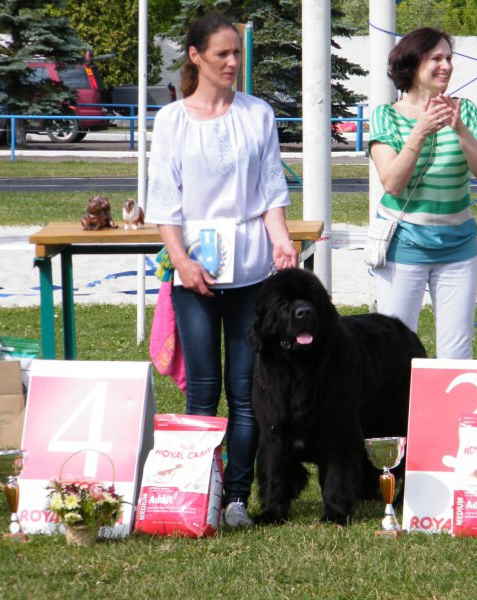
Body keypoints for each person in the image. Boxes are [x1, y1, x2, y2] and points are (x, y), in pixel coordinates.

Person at [145, 12, 298, 527]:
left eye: (237, 53)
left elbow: (272, 191)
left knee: (246, 390)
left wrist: (281, 243)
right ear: (195, 56)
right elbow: (164, 203)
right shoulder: (170, 121)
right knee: (202, 388)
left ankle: (235, 497)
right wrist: (182, 262)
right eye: (222, 54)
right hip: (193, 274)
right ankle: (196, 491)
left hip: (252, 271)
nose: (233, 62)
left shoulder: (258, 114)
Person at [368, 27, 477, 359]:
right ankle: (395, 413)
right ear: (412, 65)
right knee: (394, 349)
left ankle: (449, 413)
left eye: (449, 58)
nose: (446, 66)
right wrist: (420, 132)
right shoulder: (386, 116)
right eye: (436, 58)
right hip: (404, 244)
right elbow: (393, 183)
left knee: (457, 352)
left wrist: (459, 128)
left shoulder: (464, 110)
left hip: (459, 246)